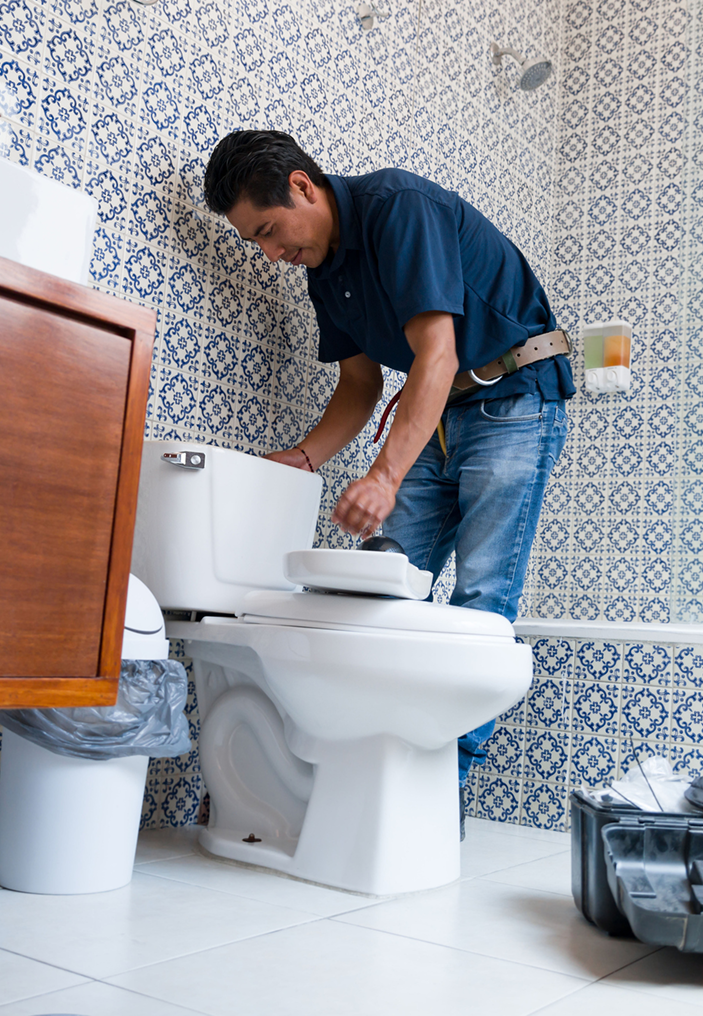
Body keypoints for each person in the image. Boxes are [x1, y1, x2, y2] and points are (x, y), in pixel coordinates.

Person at [203, 130, 573, 838]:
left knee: (482, 599)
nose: (271, 256)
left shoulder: (396, 205)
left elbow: (437, 352)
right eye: (257, 243)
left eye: (269, 232)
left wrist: (383, 474)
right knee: (377, 589)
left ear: (304, 188)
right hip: (435, 413)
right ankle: (367, 768)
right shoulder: (324, 268)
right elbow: (360, 382)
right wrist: (306, 458)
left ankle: (446, 795)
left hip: (515, 396)